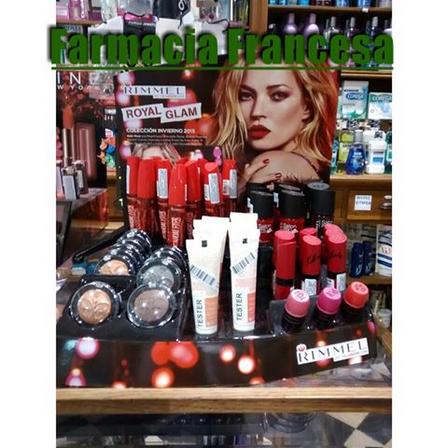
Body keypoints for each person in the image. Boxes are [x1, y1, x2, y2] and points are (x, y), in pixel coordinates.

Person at [208, 58, 338, 198]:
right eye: (246, 96)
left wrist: (234, 199)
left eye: (278, 95)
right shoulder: (315, 163)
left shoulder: (270, 165)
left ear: (308, 107)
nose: (257, 112)